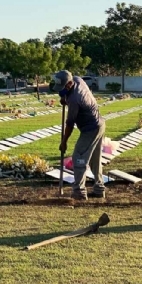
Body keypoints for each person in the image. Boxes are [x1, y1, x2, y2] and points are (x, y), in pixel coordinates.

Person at [54, 70, 106, 200]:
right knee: (95, 160)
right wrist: (63, 96)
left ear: (70, 84)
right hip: (100, 124)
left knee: (79, 158)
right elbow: (64, 92)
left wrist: (64, 141)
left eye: (64, 87)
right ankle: (99, 190)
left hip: (90, 129)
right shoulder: (77, 79)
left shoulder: (75, 99)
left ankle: (79, 192)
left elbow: (70, 124)